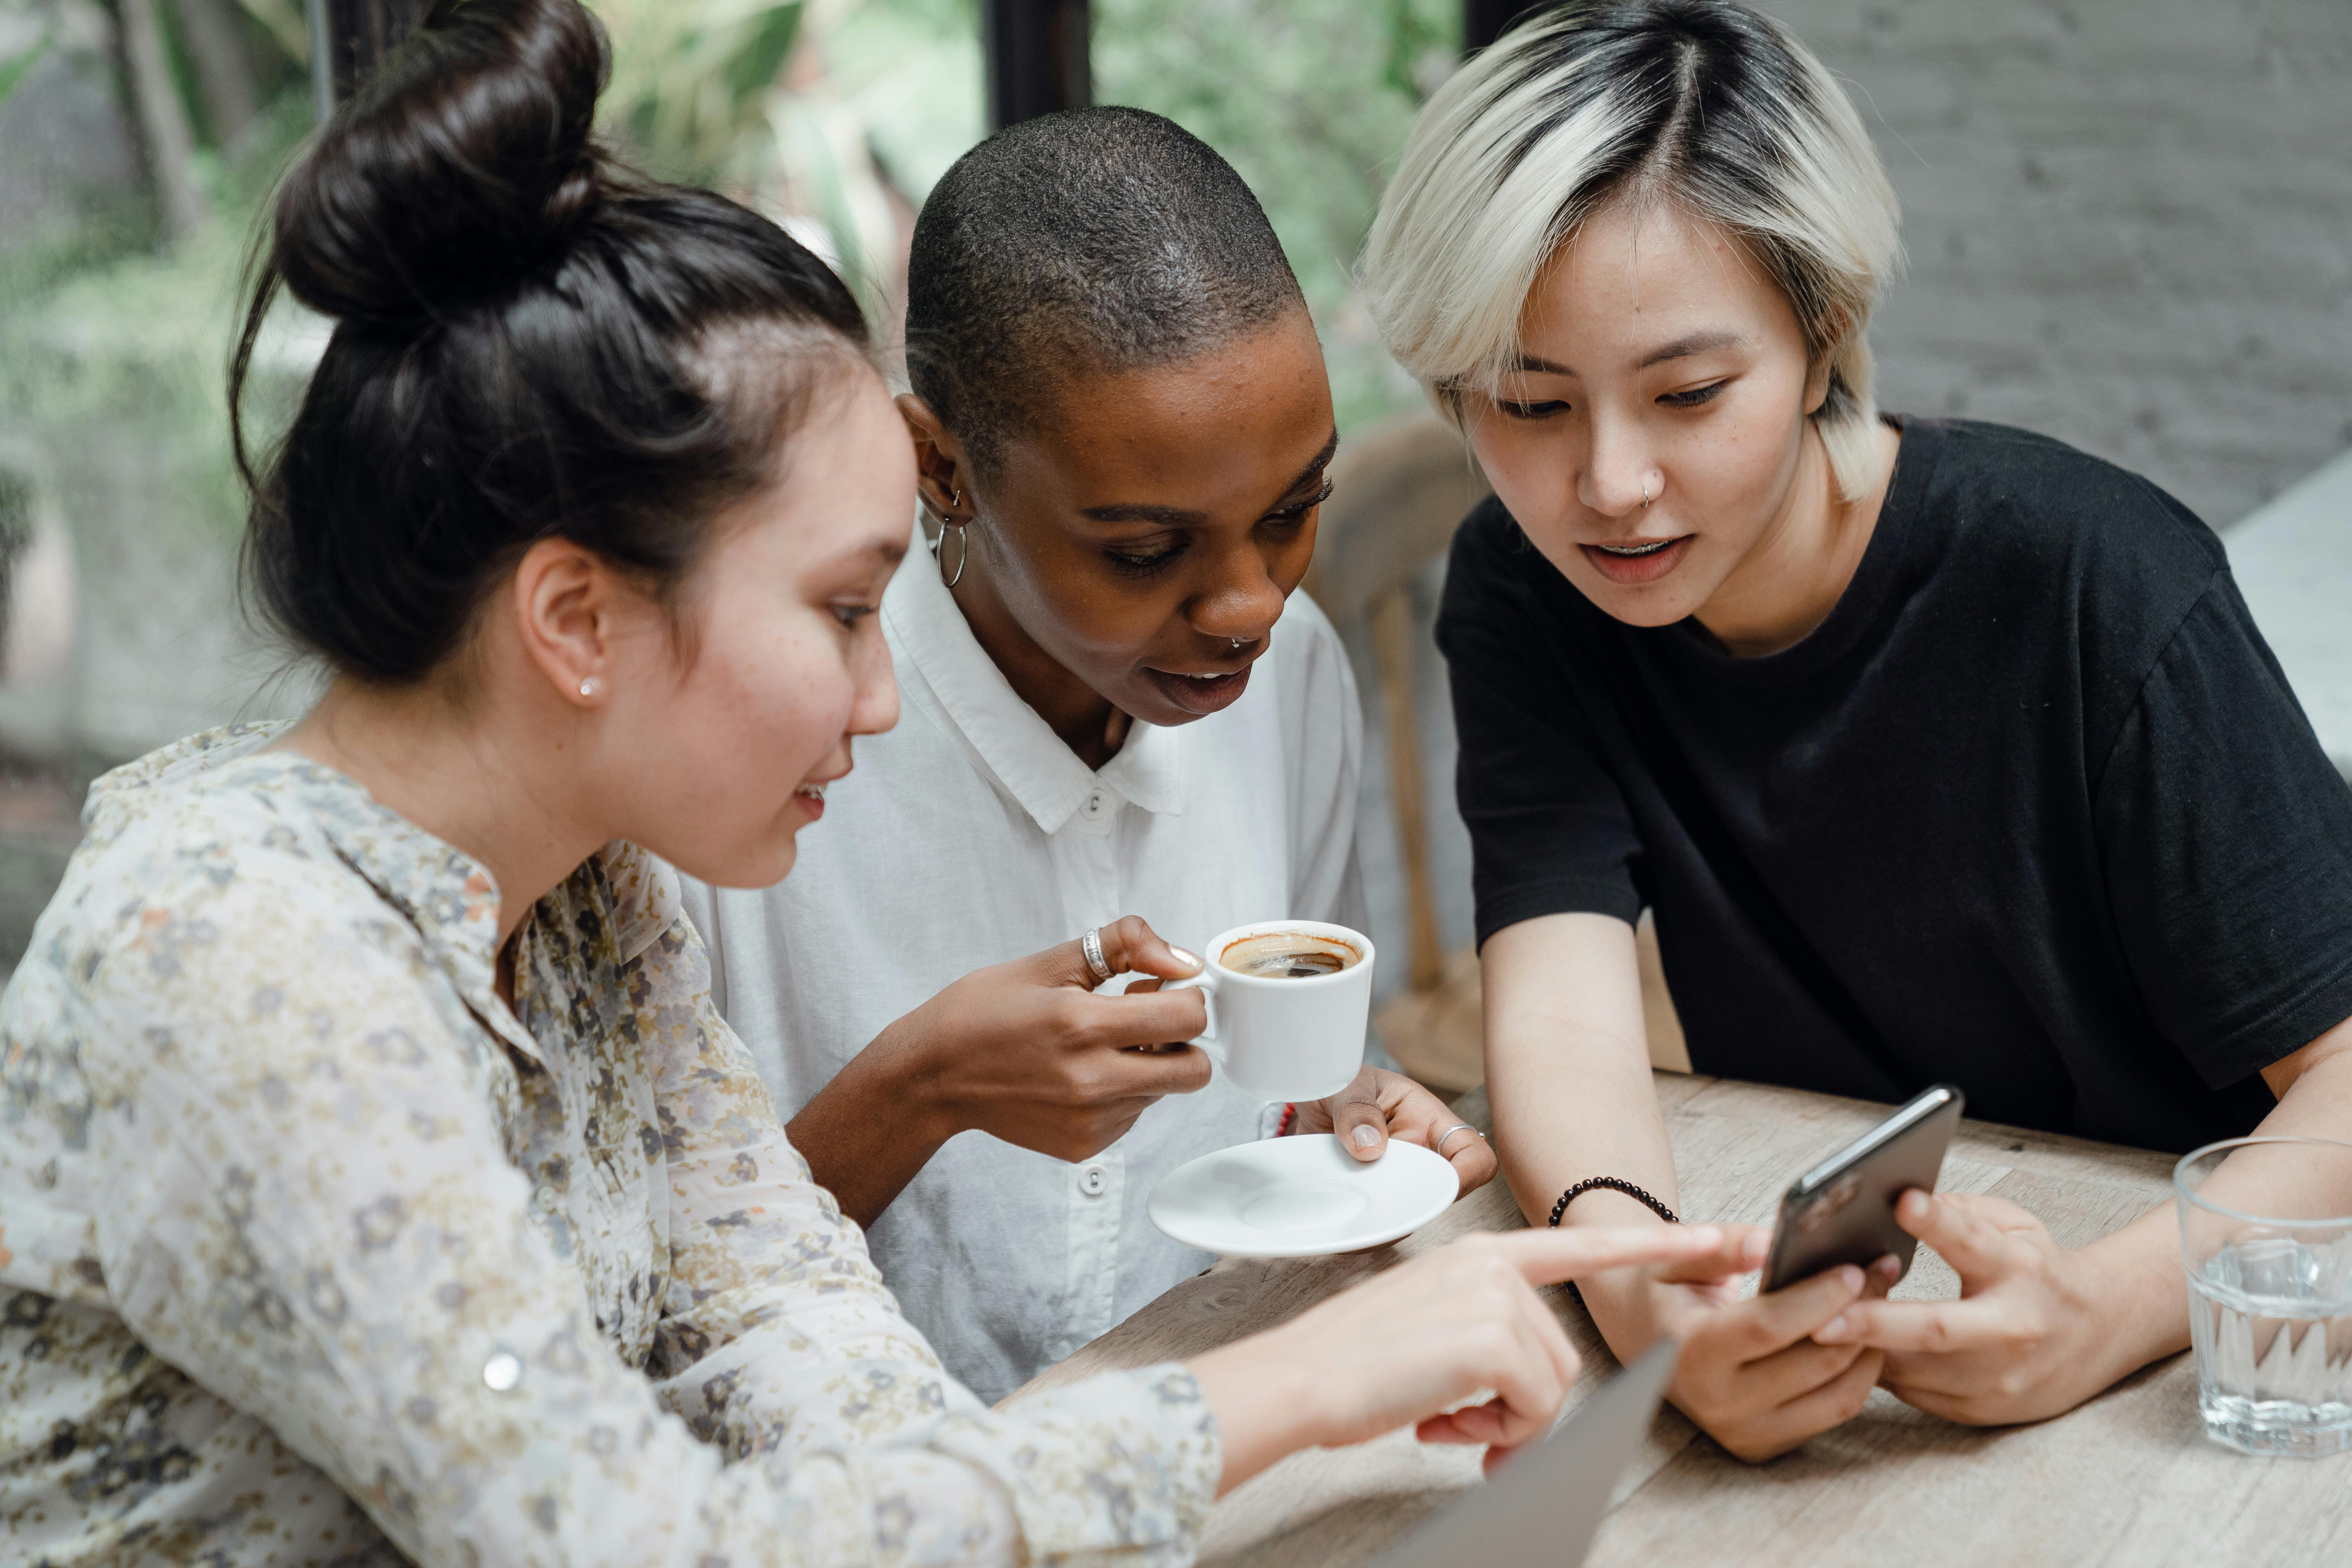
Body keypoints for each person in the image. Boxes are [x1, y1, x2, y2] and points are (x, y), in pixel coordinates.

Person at [0, 3, 1764, 1561]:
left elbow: (793, 1350)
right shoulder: (239, 952)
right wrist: (1292, 1389)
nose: (880, 688)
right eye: (848, 608)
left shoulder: (591, 903)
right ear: (574, 615)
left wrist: (1284, 1405)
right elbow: (633, 1537)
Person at [1357, 0, 2352, 1460]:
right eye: (1529, 403)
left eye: (1689, 394)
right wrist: (1652, 1313)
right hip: (1845, 1273)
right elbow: (1563, 1009)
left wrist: (2107, 1308)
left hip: (2216, 1328)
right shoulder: (1528, 584)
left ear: (1825, 337)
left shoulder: (2096, 577)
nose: (1610, 484)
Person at [679, 108, 1495, 1402]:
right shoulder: (754, 763)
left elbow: (1292, 1104)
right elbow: (647, 1317)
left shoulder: (1298, 685)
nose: (1249, 609)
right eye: (1142, 552)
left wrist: (1347, 1115)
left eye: (1294, 513)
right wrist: (917, 1091)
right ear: (938, 467)